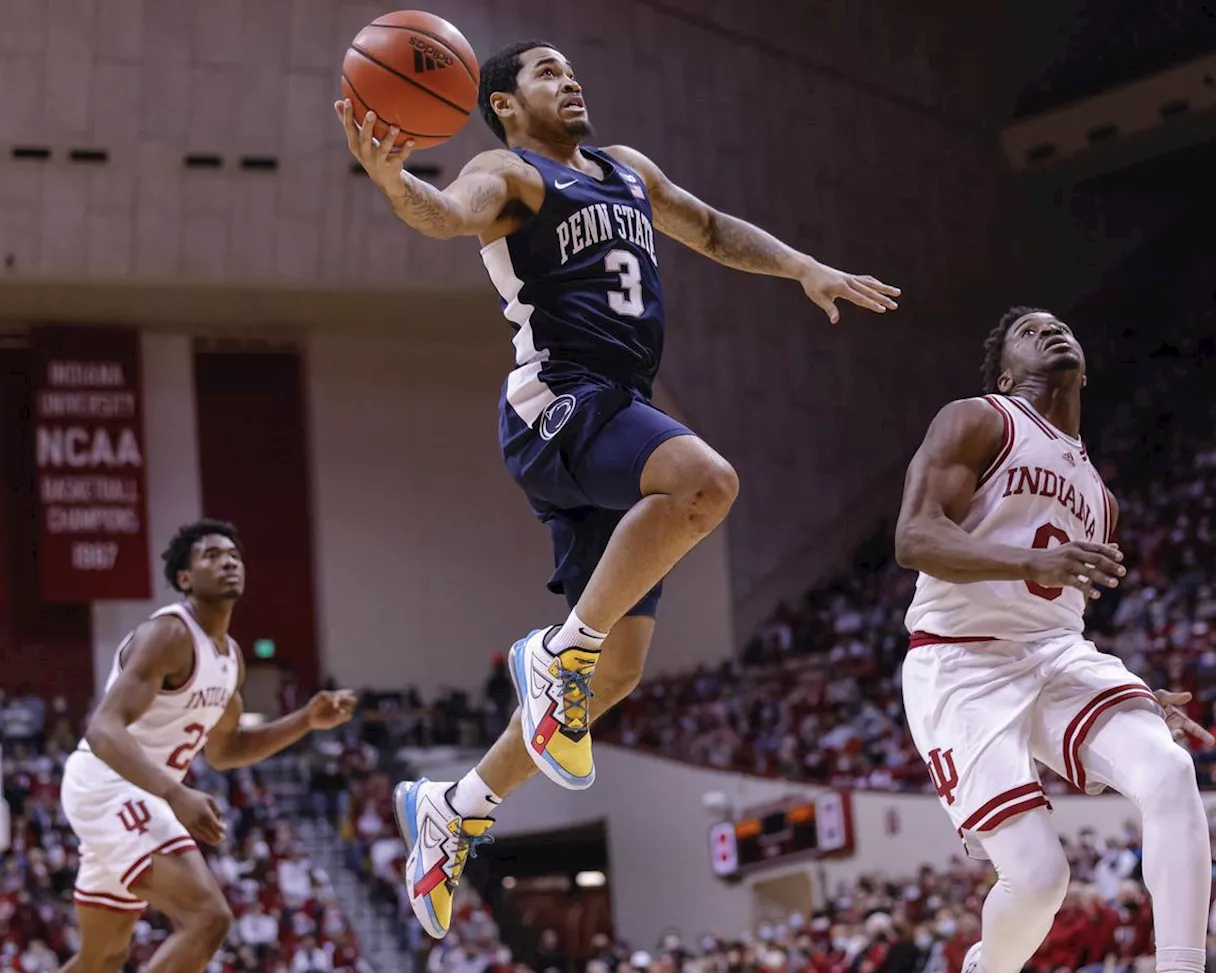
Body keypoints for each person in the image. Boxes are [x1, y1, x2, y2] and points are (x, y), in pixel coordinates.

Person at [335, 39, 900, 938]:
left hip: (619, 412)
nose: (571, 79)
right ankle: (560, 648)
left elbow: (711, 228)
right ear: (506, 105)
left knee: (621, 672)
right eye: (547, 72)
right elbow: (447, 215)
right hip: (558, 398)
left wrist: (802, 267)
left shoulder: (627, 170)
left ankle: (456, 805)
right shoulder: (507, 171)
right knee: (707, 483)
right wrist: (396, 183)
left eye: (571, 67)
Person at [894, 307, 1213, 973]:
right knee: (1040, 879)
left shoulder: (1101, 495)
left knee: (1168, 769)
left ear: (1086, 370)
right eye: (1029, 329)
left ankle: (1182, 966)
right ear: (1009, 372)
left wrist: (1127, 695)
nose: (1050, 328)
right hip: (962, 660)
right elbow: (914, 537)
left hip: (1057, 653)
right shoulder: (980, 418)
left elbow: (1058, 610)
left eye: (1059, 324)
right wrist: (1027, 562)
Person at [58, 520, 356, 973]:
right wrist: (175, 794)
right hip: (109, 785)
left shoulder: (230, 658)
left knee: (101, 958)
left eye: (234, 555)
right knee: (209, 919)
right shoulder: (169, 636)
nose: (228, 562)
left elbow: (226, 750)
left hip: (135, 793)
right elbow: (103, 730)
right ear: (185, 578)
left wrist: (305, 721)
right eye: (212, 556)